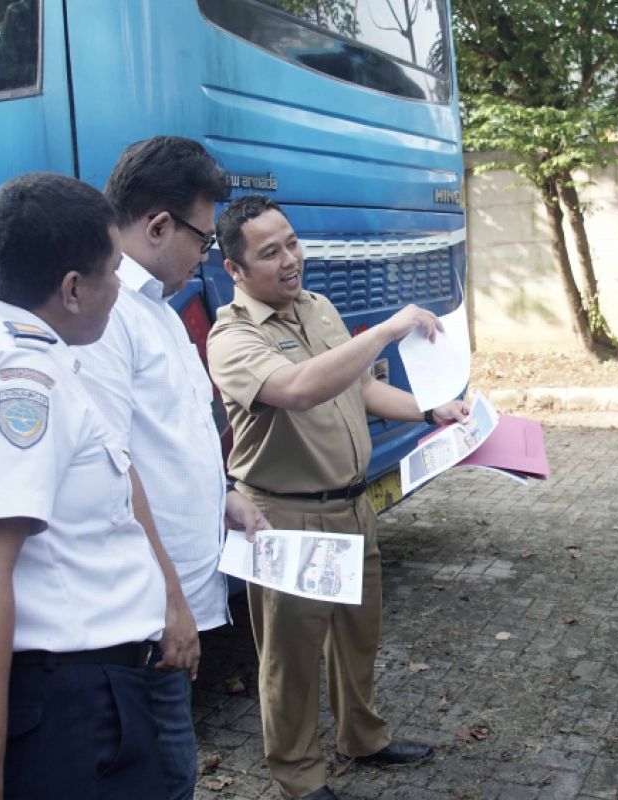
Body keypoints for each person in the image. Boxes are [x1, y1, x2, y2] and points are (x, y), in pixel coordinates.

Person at [0, 172, 167, 799]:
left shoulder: (14, 355)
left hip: (80, 695)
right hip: (68, 708)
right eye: (113, 273)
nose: (119, 292)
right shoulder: (16, 379)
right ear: (73, 288)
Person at [207, 194, 470, 800]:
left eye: (292, 243)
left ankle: (363, 737)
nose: (290, 260)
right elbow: (298, 389)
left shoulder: (319, 308)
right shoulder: (233, 337)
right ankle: (299, 775)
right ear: (236, 269)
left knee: (357, 637)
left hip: (354, 507)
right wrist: (384, 330)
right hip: (286, 516)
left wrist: (431, 411)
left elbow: (360, 388)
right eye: (269, 253)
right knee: (291, 658)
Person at [74, 135, 269, 800]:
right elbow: (109, 472)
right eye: (204, 239)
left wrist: (224, 498)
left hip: (173, 599)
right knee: (163, 776)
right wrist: (169, 604)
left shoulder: (156, 307)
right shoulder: (105, 316)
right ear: (158, 224)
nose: (207, 255)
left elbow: (169, 440)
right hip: (146, 615)